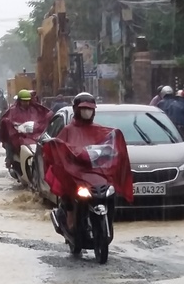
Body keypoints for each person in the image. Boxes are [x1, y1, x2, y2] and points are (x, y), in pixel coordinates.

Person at [43, 93, 134, 234]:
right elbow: (59, 150)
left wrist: (114, 149)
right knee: (68, 192)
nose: (87, 112)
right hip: (75, 175)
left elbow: (109, 146)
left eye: (90, 109)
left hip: (96, 175)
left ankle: (107, 221)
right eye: (83, 109)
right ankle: (70, 219)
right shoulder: (68, 130)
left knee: (110, 194)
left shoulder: (100, 130)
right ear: (76, 110)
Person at [0, 89, 52, 169]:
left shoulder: (35, 109)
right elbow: (5, 119)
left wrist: (40, 124)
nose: (26, 103)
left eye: (27, 101)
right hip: (18, 134)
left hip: (33, 134)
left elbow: (42, 117)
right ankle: (9, 159)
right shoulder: (13, 110)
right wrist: (12, 124)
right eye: (23, 101)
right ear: (19, 101)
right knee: (9, 142)